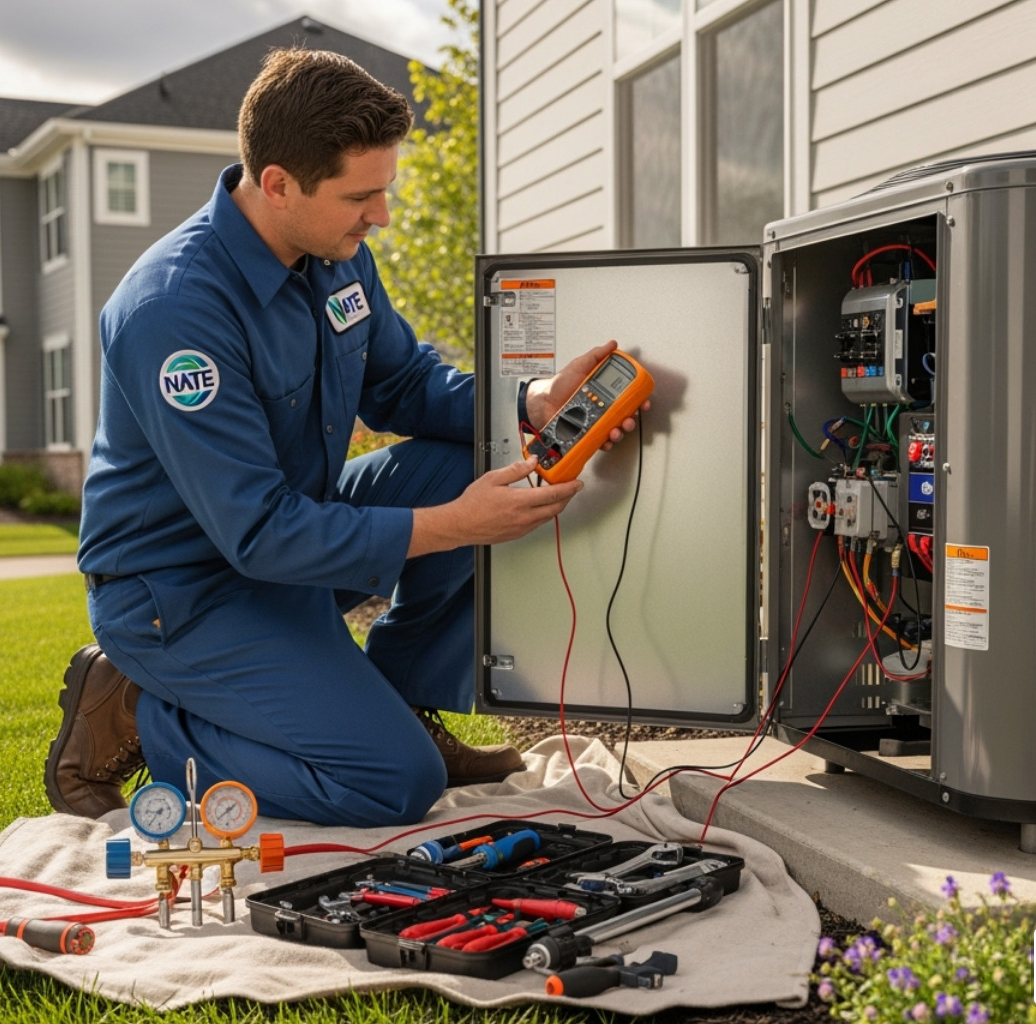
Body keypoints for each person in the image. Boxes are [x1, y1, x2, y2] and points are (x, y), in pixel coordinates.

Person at [43, 49, 643, 829]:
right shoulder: (174, 312)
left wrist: (531, 403)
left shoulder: (335, 256)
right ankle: (145, 712)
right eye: (361, 196)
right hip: (182, 593)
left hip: (289, 542)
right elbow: (256, 532)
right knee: (391, 784)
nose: (381, 216)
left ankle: (396, 701)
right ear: (278, 184)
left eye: (385, 191)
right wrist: (453, 526)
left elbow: (404, 385)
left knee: (477, 456)